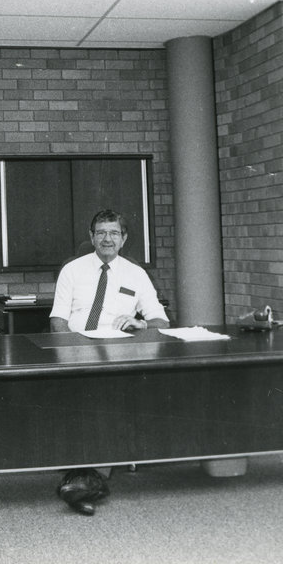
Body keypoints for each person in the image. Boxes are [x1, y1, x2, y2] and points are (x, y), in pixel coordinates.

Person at [49, 208, 170, 515]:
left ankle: (84, 481)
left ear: (124, 238)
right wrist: (69, 352)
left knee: (107, 405)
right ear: (91, 237)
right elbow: (58, 321)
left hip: (120, 354)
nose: (107, 239)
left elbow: (161, 321)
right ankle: (87, 481)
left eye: (113, 233)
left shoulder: (135, 274)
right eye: (101, 232)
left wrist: (143, 325)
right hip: (77, 351)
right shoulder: (72, 270)